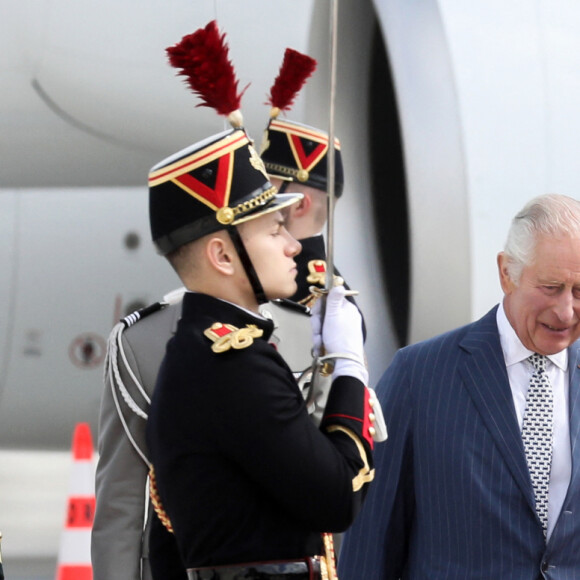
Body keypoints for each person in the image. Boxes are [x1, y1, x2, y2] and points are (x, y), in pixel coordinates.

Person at [338, 193, 580, 580]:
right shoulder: (419, 375)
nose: (566, 310)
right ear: (506, 273)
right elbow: (369, 545)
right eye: (551, 287)